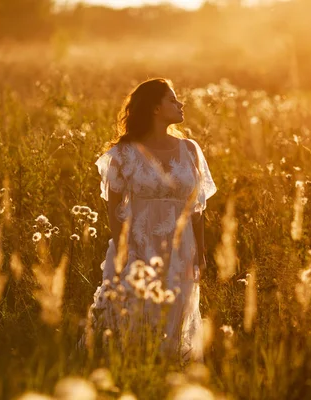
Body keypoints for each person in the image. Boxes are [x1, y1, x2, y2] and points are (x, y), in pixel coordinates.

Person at [87, 78, 216, 363]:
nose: (180, 104)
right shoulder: (123, 154)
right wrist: (122, 252)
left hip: (181, 247)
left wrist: (201, 252)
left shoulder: (190, 150)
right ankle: (131, 370)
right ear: (156, 108)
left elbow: (197, 208)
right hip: (139, 245)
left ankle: (169, 372)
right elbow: (113, 208)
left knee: (176, 312)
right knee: (135, 313)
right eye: (173, 99)